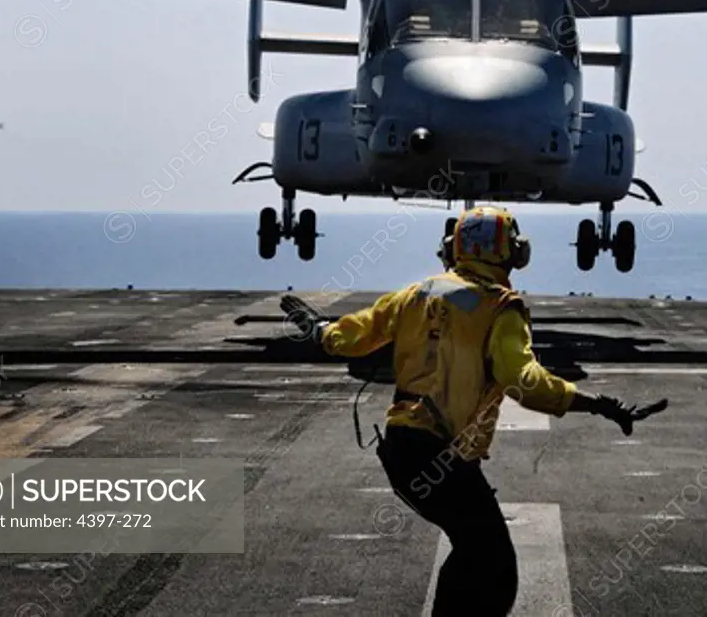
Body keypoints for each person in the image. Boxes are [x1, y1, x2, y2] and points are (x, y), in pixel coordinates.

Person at [280, 206, 665, 617]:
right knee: (492, 568)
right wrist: (597, 404)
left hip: (402, 451)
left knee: (476, 555)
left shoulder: (416, 293)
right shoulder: (500, 307)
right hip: (439, 457)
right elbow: (524, 381)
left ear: (453, 249)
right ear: (513, 253)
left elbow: (356, 333)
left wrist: (320, 330)